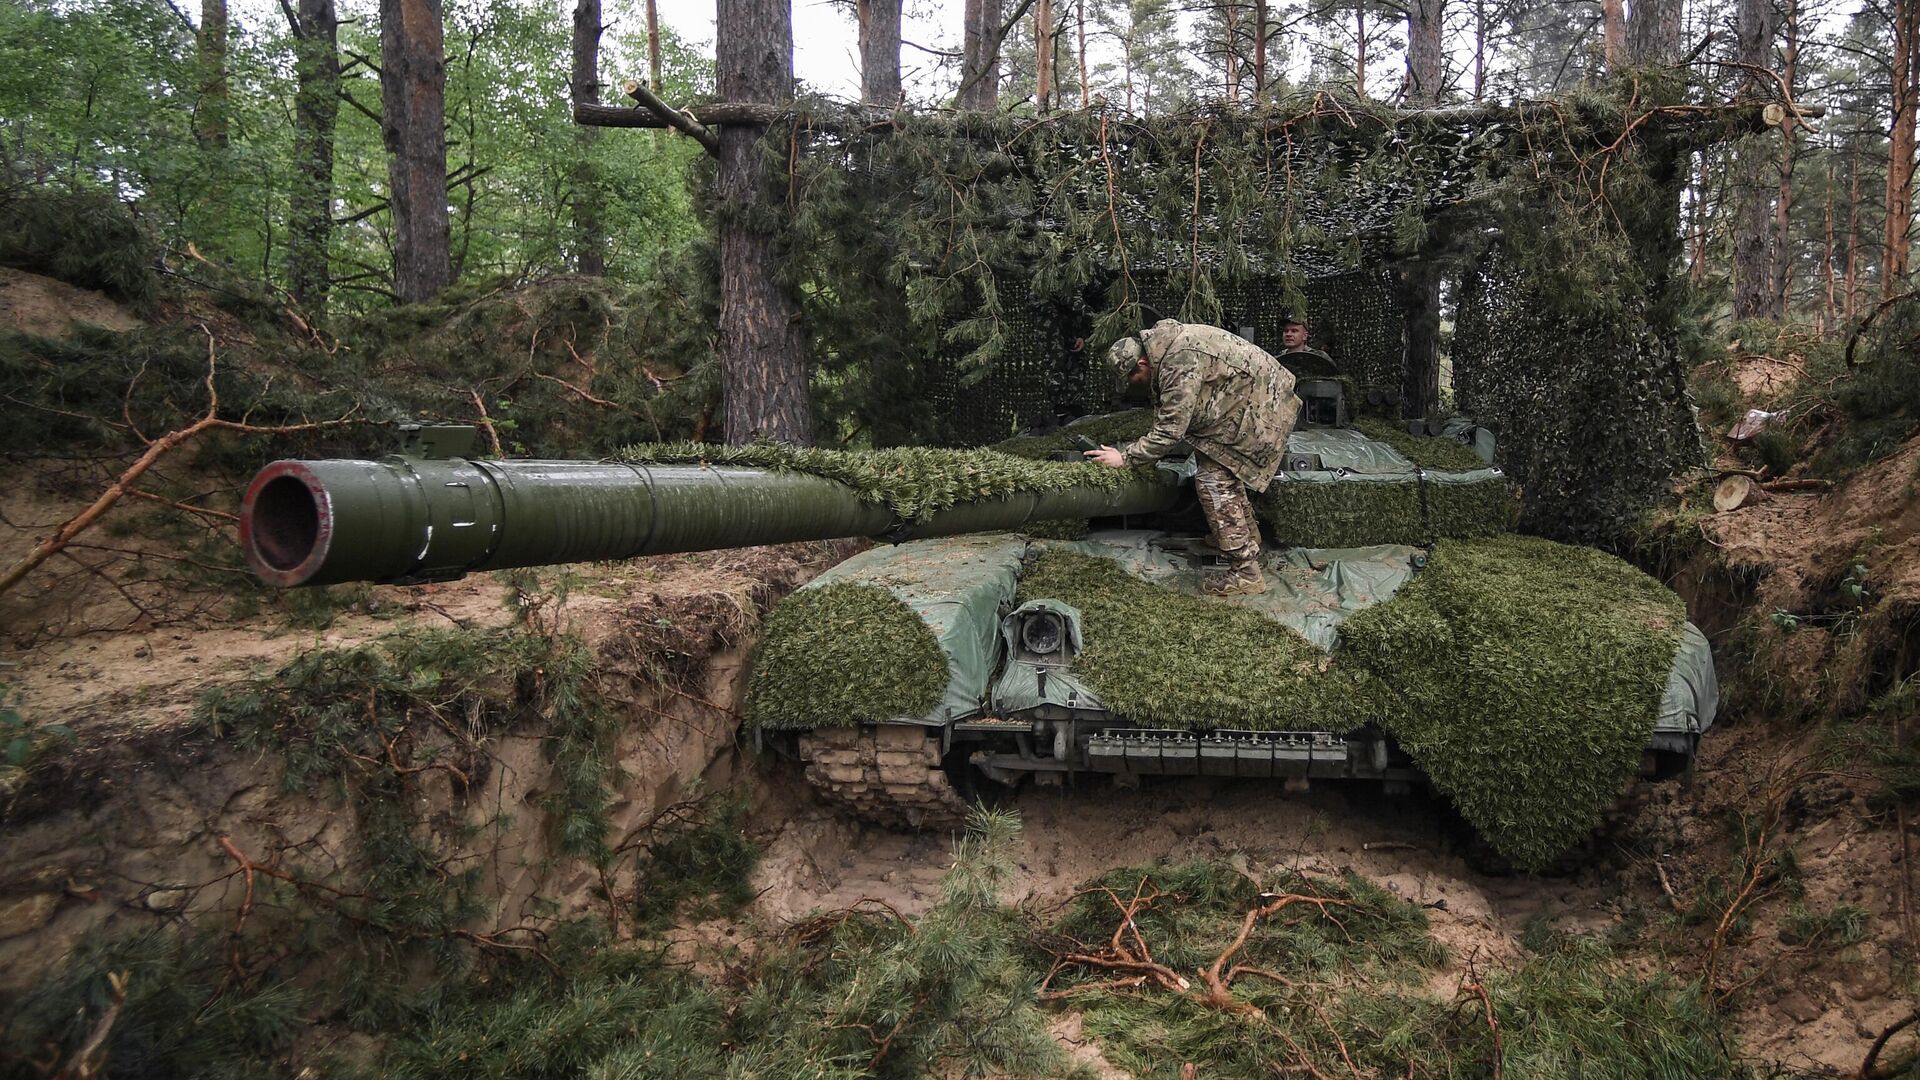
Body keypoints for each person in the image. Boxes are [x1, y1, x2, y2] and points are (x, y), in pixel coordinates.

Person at [1083, 319, 1299, 597]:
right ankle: (1245, 538)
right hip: (1245, 404)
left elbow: (1171, 430)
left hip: (1263, 409)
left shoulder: (1178, 362)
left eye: (1130, 379)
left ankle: (1245, 571)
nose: (1130, 386)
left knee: (1213, 480)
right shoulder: (1167, 349)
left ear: (1143, 364)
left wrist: (1125, 458)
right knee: (1215, 464)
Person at [1278, 312, 1337, 376]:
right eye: (1286, 331)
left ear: (1305, 336)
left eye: (1294, 331)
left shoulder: (1320, 358)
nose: (1288, 334)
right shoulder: (1276, 361)